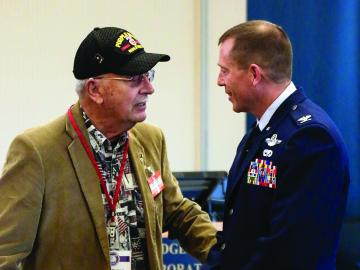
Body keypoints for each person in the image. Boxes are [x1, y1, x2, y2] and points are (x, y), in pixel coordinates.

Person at [0, 27, 217, 270]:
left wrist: (224, 252)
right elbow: (5, 253)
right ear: (95, 90)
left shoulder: (151, 139)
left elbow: (176, 212)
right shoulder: (36, 151)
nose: (149, 88)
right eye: (134, 79)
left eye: (149, 75)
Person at [204, 20, 350, 269]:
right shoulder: (262, 130)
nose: (219, 81)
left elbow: (289, 250)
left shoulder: (311, 138)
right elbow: (239, 232)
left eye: (225, 70)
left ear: (253, 74)